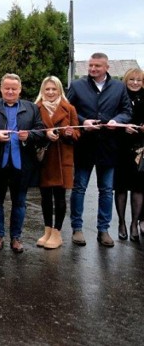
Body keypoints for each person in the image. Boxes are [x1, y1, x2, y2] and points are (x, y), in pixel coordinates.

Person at [67, 52, 132, 247]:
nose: (93, 69)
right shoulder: (77, 85)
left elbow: (126, 111)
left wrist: (117, 121)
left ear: (107, 67)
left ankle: (103, 230)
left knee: (106, 191)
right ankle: (77, 229)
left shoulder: (119, 87)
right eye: (91, 65)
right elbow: (68, 110)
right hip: (84, 146)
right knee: (79, 189)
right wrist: (82, 122)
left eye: (97, 66)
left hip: (109, 147)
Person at [0, 73, 45, 253]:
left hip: (21, 164)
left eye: (14, 88)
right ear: (1, 88)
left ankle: (16, 238)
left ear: (20, 89)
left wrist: (29, 136)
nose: (10, 91)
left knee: (20, 202)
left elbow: (41, 130)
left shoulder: (31, 108)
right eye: (7, 88)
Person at [35, 76, 80, 249]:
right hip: (44, 159)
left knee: (60, 197)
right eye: (47, 89)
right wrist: (45, 134)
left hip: (62, 158)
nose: (51, 92)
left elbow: (77, 134)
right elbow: (33, 131)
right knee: (45, 197)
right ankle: (47, 230)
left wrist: (69, 134)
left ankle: (57, 232)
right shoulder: (36, 108)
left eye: (54, 89)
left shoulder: (69, 109)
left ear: (60, 90)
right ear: (42, 91)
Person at [113, 68, 144, 242]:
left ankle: (134, 223)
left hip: (141, 149)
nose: (135, 83)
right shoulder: (119, 96)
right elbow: (112, 117)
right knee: (121, 187)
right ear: (126, 80)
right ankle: (121, 223)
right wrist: (123, 127)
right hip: (121, 147)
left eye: (138, 80)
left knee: (139, 188)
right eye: (131, 79)